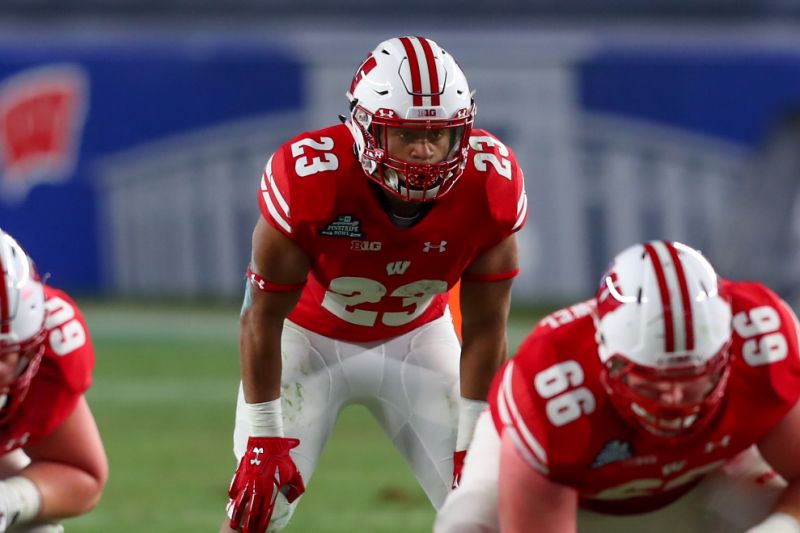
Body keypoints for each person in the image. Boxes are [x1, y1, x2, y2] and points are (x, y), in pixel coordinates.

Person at [221, 35, 527, 533]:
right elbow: (261, 317)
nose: (425, 151)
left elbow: (487, 327)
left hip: (418, 340)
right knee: (257, 507)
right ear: (366, 127)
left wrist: (474, 440)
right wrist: (263, 437)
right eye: (406, 134)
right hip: (308, 342)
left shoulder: (489, 186)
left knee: (492, 507)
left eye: (440, 134)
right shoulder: (312, 180)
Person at [435, 240, 800, 533]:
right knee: (467, 523)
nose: (674, 400)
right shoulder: (553, 385)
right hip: (573, 497)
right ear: (606, 356)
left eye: (693, 379)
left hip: (705, 477)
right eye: (653, 383)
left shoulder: (764, 344)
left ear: (727, 355)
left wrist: (780, 527)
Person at [0, 228, 107, 532]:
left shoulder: (51, 348)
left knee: (36, 529)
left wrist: (7, 501)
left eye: (3, 354)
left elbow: (80, 475)